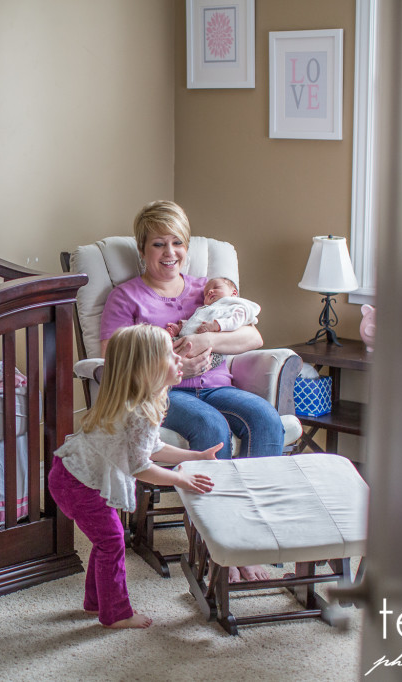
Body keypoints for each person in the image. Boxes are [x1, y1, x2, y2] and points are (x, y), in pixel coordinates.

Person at [99, 200, 285, 582]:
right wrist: (174, 365)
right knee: (210, 428)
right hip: (164, 395)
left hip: (217, 388)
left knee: (266, 419)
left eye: (177, 243)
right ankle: (214, 548)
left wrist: (209, 344)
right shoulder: (127, 297)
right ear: (142, 249)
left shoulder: (210, 292)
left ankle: (250, 540)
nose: (170, 253)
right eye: (158, 244)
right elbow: (113, 356)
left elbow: (253, 335)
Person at [48, 324, 218, 629]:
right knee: (112, 542)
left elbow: (155, 449)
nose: (180, 359)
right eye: (170, 354)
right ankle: (116, 613)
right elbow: (141, 468)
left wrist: (195, 456)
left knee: (106, 541)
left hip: (78, 477)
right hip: (77, 482)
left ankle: (95, 603)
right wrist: (179, 480)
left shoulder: (143, 403)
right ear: (145, 368)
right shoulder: (137, 411)